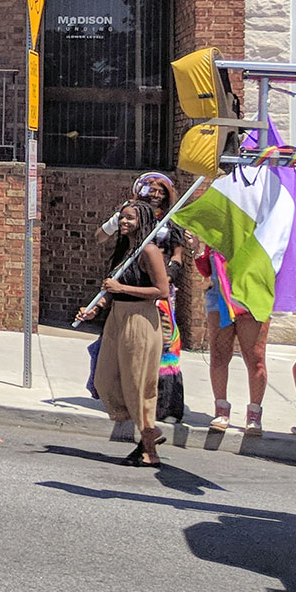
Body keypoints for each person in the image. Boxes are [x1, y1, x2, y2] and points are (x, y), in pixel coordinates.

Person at [91, 198, 181, 468]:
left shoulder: (149, 250)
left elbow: (162, 291)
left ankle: (149, 450)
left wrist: (121, 290)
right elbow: (112, 289)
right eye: (122, 218)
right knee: (104, 380)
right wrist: (96, 307)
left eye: (130, 218)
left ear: (142, 221)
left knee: (138, 386)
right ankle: (149, 430)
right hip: (117, 317)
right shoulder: (125, 249)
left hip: (141, 319)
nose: (124, 222)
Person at [202, 241, 269, 437]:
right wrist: (197, 250)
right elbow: (206, 268)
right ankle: (221, 411)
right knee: (219, 354)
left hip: (253, 296)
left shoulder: (261, 227)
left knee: (255, 358)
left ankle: (254, 415)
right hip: (220, 295)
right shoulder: (216, 230)